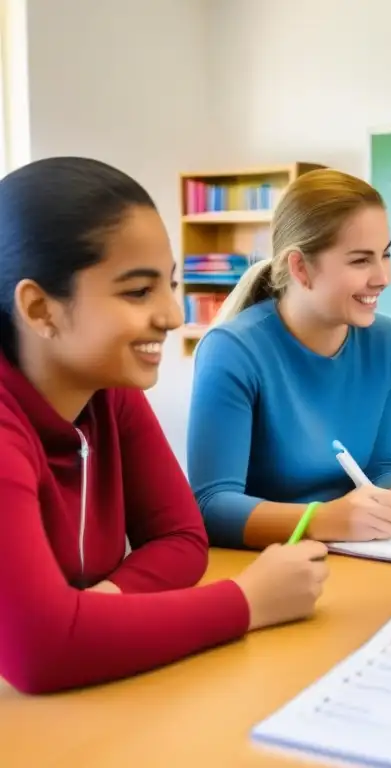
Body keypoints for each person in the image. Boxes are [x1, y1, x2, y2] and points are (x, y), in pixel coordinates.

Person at [0, 157, 329, 695]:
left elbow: (181, 539)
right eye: (137, 292)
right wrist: (246, 603)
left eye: (170, 285)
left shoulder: (108, 392)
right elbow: (39, 652)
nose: (174, 315)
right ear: (40, 309)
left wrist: (92, 611)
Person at [188, 169, 391, 551]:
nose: (383, 276)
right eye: (360, 261)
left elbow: (381, 468)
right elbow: (211, 507)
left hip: (359, 554)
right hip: (267, 566)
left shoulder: (387, 342)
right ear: (300, 268)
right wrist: (322, 519)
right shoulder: (232, 351)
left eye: (385, 254)